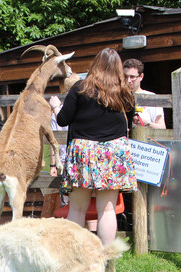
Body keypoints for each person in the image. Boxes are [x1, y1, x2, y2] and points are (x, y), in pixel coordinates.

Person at [49, 48, 137, 246]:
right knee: (107, 209)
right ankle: (106, 259)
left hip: (84, 151)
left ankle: (75, 255)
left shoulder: (81, 88)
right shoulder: (124, 92)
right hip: (113, 152)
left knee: (77, 208)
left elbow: (63, 120)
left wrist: (55, 105)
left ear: (95, 64)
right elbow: (130, 120)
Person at [123, 58, 166, 129]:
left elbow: (162, 127)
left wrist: (147, 123)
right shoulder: (117, 97)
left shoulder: (152, 98)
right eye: (125, 77)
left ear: (141, 76)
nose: (128, 80)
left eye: (132, 77)